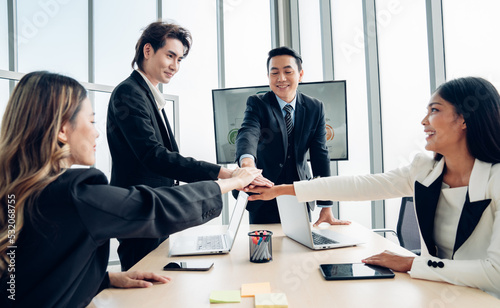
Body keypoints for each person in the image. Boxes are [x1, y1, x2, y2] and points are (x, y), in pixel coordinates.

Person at [0, 71, 260, 307]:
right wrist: (231, 182)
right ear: (62, 131)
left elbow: (29, 275)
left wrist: (105, 279)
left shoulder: (17, 190)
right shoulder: (73, 194)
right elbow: (154, 206)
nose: (97, 134)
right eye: (91, 122)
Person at [247, 77, 500, 298]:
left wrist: (413, 263)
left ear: (464, 118)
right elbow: (361, 186)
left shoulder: (495, 179)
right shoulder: (424, 170)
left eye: (434, 110)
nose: (424, 121)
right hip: (435, 292)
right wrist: (283, 190)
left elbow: (495, 273)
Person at [106, 21, 270, 270]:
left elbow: (165, 157)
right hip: (140, 213)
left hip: (154, 212)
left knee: (156, 283)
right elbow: (153, 155)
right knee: (142, 287)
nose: (175, 66)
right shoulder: (129, 93)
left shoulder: (147, 94)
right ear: (148, 51)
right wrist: (224, 174)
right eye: (170, 56)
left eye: (180, 59)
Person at [235, 46, 349, 225]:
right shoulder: (258, 103)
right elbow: (248, 132)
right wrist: (247, 164)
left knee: (301, 247)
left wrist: (326, 206)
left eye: (288, 71)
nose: (281, 79)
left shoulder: (315, 107)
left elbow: (320, 155)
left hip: (299, 193)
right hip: (263, 193)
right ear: (268, 77)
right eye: (274, 73)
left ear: (300, 75)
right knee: (263, 252)